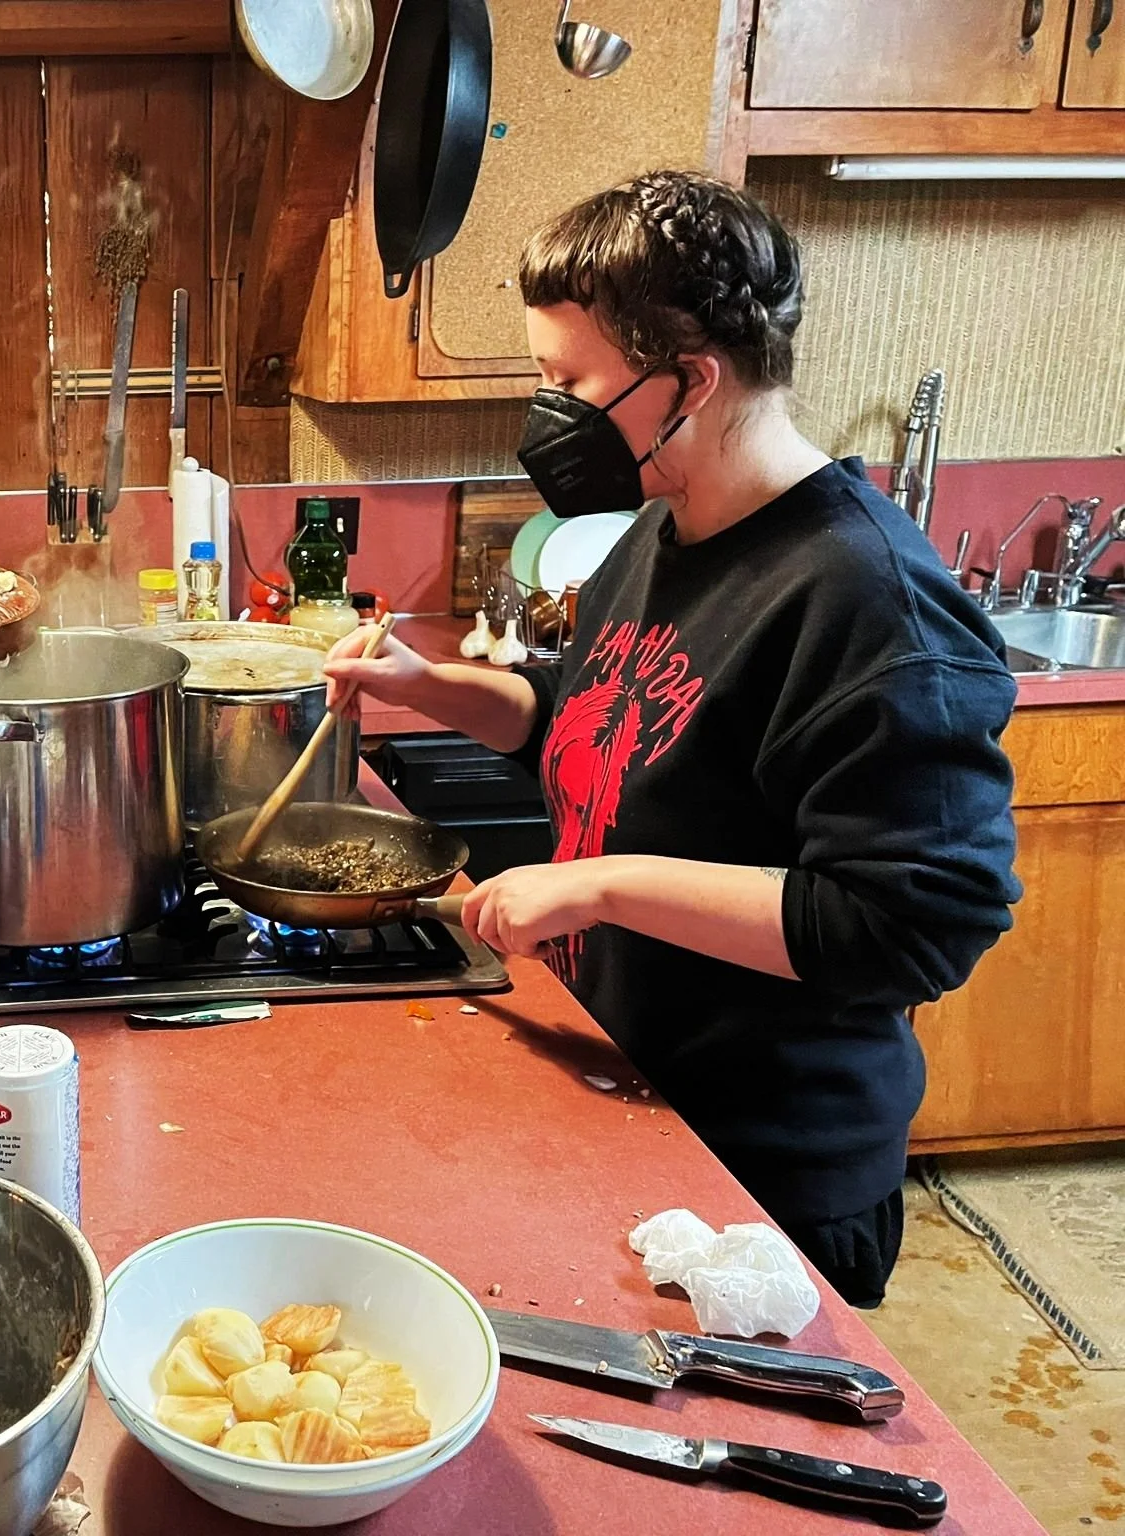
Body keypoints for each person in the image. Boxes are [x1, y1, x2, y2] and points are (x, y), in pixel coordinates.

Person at [325, 170, 1019, 1307]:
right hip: (633, 1091)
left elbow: (913, 926)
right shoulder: (660, 525)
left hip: (764, 1181)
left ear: (687, 381)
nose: (547, 415)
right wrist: (429, 683)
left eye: (567, 382)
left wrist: (601, 885)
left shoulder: (863, 600)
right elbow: (595, 715)